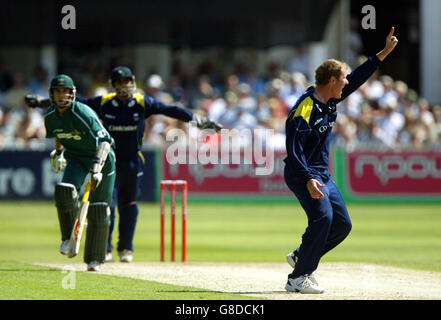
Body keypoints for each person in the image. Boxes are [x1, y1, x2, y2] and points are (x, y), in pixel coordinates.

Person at [26, 66, 222, 263]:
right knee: (106, 205)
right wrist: (42, 102)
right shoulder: (105, 102)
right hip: (105, 160)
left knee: (128, 205)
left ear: (133, 82)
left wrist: (199, 120)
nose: (124, 85)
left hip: (131, 162)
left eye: (127, 81)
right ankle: (106, 248)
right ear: (113, 85)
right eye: (119, 82)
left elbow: (170, 109)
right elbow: (73, 103)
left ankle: (126, 248)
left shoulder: (141, 102)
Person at [283, 27, 398, 294]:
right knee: (322, 218)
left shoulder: (331, 99)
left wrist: (384, 53)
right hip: (302, 173)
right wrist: (309, 178)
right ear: (332, 81)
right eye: (343, 79)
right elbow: (294, 148)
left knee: (342, 225)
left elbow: (357, 78)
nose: (347, 83)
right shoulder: (306, 108)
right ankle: (297, 278)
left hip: (321, 173)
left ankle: (303, 256)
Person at [44, 74, 116, 272]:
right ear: (52, 94)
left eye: (65, 92)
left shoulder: (83, 113)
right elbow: (59, 134)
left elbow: (105, 142)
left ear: (72, 93)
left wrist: (98, 167)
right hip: (76, 157)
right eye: (58, 92)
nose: (61, 96)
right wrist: (59, 153)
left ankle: (95, 259)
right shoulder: (50, 116)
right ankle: (68, 237)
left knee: (99, 209)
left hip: (102, 159)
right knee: (64, 190)